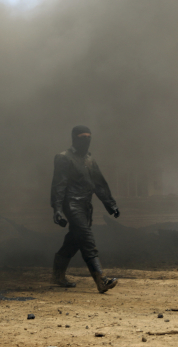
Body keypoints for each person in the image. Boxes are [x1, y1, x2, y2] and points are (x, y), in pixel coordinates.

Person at [50, 125, 120, 293]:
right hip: (72, 204)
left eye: (89, 137)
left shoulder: (89, 159)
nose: (86, 140)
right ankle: (101, 279)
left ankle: (57, 276)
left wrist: (111, 204)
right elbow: (59, 185)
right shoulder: (63, 158)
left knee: (73, 241)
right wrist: (57, 208)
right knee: (87, 240)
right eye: (82, 137)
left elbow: (99, 184)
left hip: (86, 206)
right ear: (74, 138)